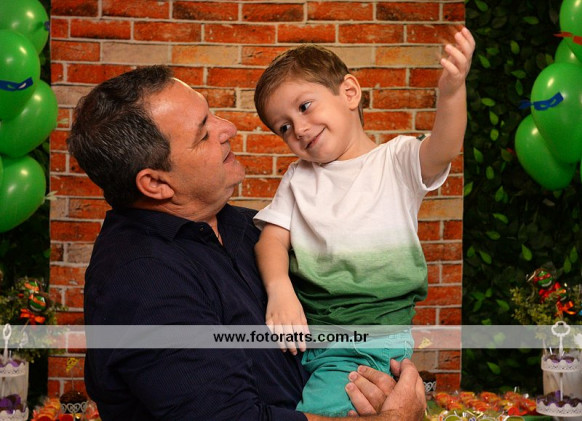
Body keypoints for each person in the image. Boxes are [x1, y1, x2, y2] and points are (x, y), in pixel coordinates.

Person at [67, 65, 427, 420]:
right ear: (157, 184)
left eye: (212, 114)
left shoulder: (245, 227)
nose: (228, 128)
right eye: (203, 133)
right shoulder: (141, 280)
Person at [252, 27, 475, 416]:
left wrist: (452, 92)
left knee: (317, 413)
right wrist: (279, 288)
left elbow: (444, 147)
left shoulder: (396, 161)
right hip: (313, 338)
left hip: (366, 341)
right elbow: (271, 240)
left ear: (350, 93)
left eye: (304, 106)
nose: (298, 129)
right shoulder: (298, 177)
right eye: (283, 127)